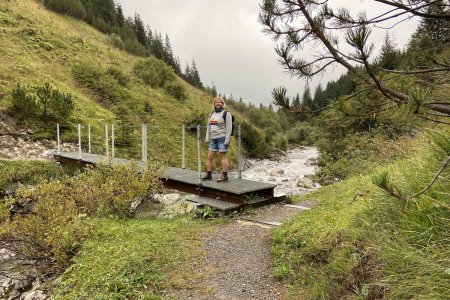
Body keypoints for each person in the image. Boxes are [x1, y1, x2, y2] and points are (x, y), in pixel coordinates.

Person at [203, 96, 233, 182]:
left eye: (220, 102)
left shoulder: (226, 114)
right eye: (216, 102)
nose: (218, 103)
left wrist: (227, 140)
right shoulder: (211, 114)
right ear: (214, 104)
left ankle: (224, 175)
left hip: (222, 138)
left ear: (223, 104)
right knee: (209, 157)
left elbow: (229, 128)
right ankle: (208, 174)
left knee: (223, 157)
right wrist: (207, 138)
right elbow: (209, 126)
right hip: (213, 139)